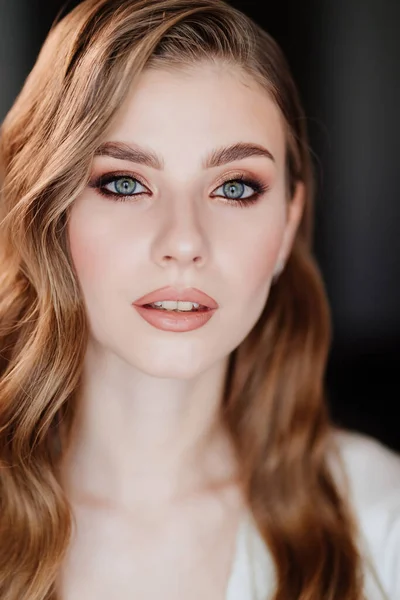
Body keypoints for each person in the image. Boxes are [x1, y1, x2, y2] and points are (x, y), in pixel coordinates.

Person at [0, 0, 399, 598]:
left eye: (235, 188)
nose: (184, 241)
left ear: (288, 224)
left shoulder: (380, 517)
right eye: (126, 183)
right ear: (46, 213)